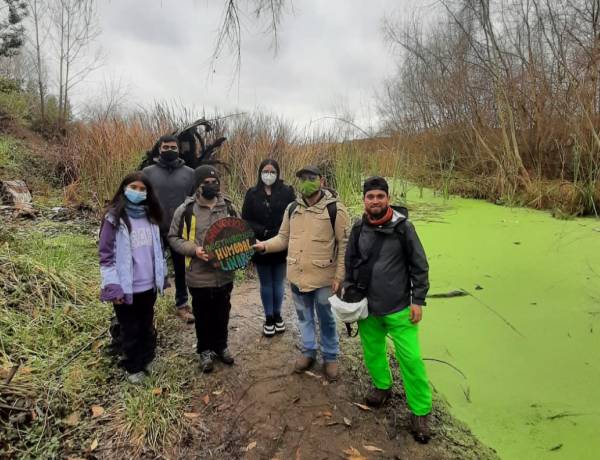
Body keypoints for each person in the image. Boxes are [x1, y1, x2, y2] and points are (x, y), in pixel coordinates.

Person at [344, 176, 432, 443]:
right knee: (373, 353)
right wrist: (348, 291)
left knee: (412, 361)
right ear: (364, 200)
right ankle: (382, 387)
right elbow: (350, 263)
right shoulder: (358, 228)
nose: (375, 201)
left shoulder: (404, 229)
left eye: (380, 196)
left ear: (388, 199)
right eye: (370, 197)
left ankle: (420, 412)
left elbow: (420, 266)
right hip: (368, 308)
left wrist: (418, 300)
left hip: (399, 309)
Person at [254, 165, 349, 381]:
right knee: (304, 317)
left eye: (311, 177)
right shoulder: (292, 209)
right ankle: (308, 352)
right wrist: (264, 246)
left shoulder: (336, 209)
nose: (306, 182)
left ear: (322, 181)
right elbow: (283, 238)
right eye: (303, 178)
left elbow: (344, 246)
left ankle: (331, 357)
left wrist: (339, 277)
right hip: (297, 275)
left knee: (326, 319)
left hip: (324, 278)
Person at [98, 172, 168, 384]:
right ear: (124, 189)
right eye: (133, 188)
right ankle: (133, 366)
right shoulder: (113, 219)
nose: (137, 192)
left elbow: (158, 250)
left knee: (146, 323)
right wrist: (113, 287)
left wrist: (161, 277)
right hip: (126, 287)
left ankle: (147, 359)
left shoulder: (151, 218)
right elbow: (106, 256)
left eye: (142, 189)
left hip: (148, 285)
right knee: (130, 327)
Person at [168, 165, 238, 373]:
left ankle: (221, 346)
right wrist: (194, 250)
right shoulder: (186, 210)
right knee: (203, 314)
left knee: (223, 311)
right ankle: (204, 351)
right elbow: (173, 238)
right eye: (205, 183)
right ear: (197, 186)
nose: (210, 186)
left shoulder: (228, 207)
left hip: (224, 273)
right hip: (198, 274)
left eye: (214, 182)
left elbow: (240, 232)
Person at [143, 135, 196, 323]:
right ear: (159, 149)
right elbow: (141, 198)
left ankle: (182, 305)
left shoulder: (190, 173)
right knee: (151, 268)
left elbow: (194, 202)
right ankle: (149, 306)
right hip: (154, 228)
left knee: (181, 269)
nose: (169, 150)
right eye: (165, 147)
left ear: (179, 149)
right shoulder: (148, 172)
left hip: (180, 230)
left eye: (173, 147)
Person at [242, 159, 295, 337]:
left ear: (277, 173)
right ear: (260, 172)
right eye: (266, 171)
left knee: (278, 282)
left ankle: (278, 315)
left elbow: (293, 215)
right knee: (266, 283)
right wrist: (261, 231)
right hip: (259, 243)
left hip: (281, 243)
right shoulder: (252, 193)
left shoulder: (287, 192)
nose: (269, 174)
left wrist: (277, 232)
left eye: (272, 171)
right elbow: (246, 219)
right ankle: (269, 318)